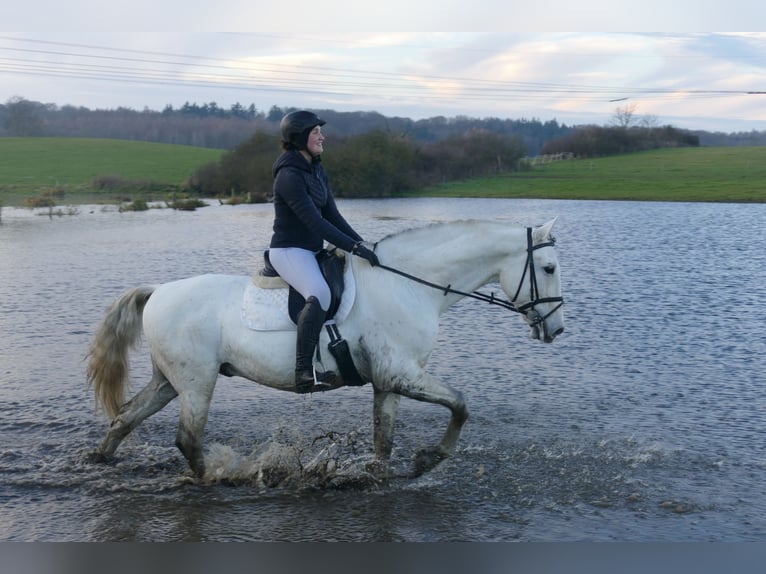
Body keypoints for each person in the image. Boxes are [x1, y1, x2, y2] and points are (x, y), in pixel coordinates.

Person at [268, 110, 379, 393]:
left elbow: (333, 216)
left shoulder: (316, 170)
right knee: (321, 292)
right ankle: (303, 371)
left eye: (320, 131)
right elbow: (315, 223)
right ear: (299, 137)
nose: (322, 137)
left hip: (312, 250)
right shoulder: (289, 176)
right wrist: (351, 246)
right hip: (290, 251)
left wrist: (363, 245)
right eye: (316, 132)